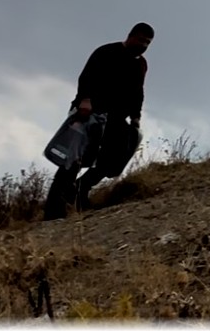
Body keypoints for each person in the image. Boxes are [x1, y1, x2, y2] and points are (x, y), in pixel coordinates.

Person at [43, 22, 153, 220]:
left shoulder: (140, 64)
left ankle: (80, 190)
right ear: (131, 36)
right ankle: (53, 211)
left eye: (148, 43)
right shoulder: (107, 52)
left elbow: (138, 91)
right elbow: (86, 77)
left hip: (116, 118)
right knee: (73, 160)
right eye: (141, 40)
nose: (144, 45)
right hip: (90, 111)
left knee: (114, 159)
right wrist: (85, 100)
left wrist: (136, 117)